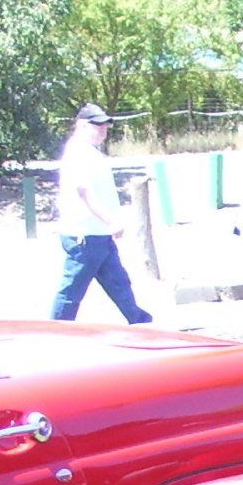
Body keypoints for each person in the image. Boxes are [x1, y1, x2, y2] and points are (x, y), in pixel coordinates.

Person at [50, 103, 152, 324]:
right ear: (81, 126)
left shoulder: (88, 151)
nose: (103, 130)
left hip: (97, 233)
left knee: (119, 283)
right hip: (84, 235)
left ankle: (142, 322)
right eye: (97, 125)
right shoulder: (78, 152)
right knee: (72, 290)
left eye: (105, 126)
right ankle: (56, 330)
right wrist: (110, 220)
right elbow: (83, 191)